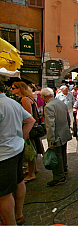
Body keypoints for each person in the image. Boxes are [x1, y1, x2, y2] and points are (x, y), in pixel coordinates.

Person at [0, 80, 35, 225]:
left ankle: (10, 223)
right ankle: (18, 214)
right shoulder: (12, 102)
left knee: (4, 193)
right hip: (17, 148)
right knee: (19, 181)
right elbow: (30, 120)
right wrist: (22, 136)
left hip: (4, 153)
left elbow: (30, 120)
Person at [12, 81, 44, 183]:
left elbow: (27, 117)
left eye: (14, 88)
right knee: (33, 149)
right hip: (33, 128)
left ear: (20, 89)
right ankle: (33, 169)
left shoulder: (25, 99)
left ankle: (31, 174)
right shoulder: (30, 98)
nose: (12, 90)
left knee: (30, 150)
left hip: (29, 128)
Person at [41, 88, 72, 187]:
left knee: (57, 155)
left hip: (57, 135)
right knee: (62, 152)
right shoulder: (61, 103)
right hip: (63, 133)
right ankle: (64, 168)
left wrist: (50, 141)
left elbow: (50, 125)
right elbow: (68, 118)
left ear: (43, 97)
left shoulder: (49, 106)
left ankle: (59, 176)